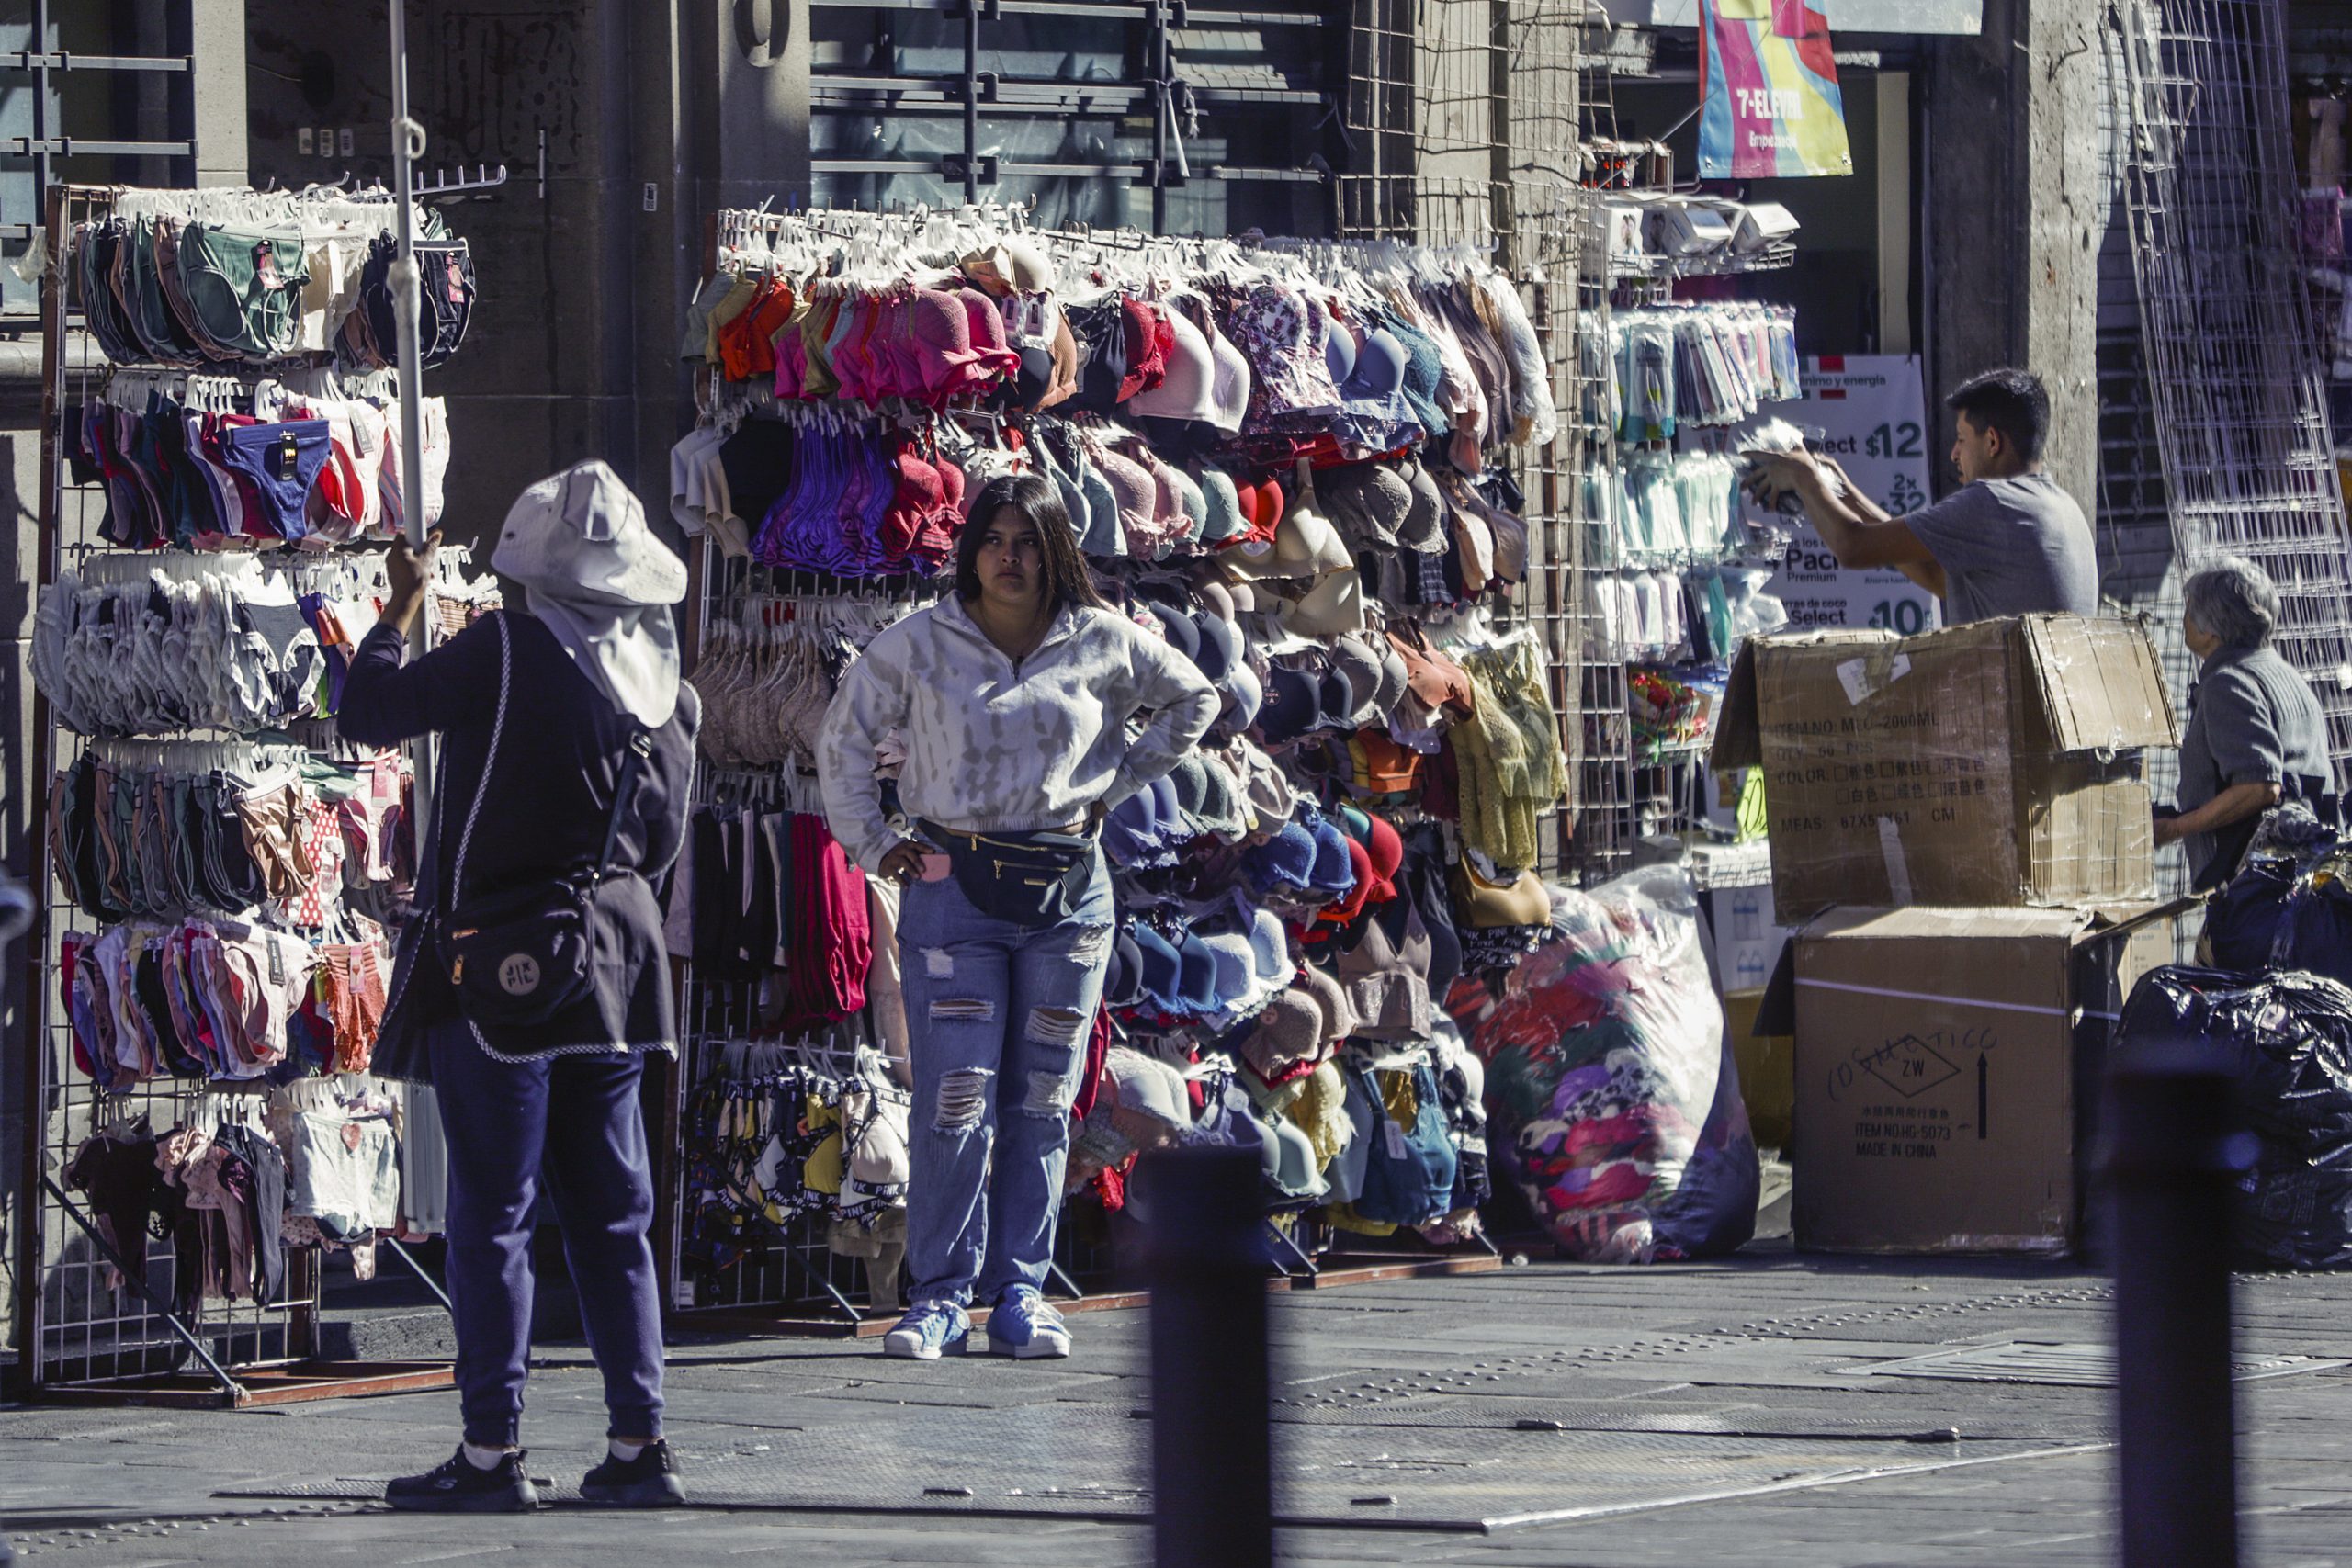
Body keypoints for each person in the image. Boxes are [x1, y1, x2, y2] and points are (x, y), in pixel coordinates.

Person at [339, 460, 700, 1513]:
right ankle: (640, 1440)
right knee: (613, 1212)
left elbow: (369, 711)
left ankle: (491, 1452)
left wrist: (398, 608)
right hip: (622, 965)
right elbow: (665, 838)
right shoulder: (670, 689)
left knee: (492, 1208)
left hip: (506, 956)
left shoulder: (503, 650)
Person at [816, 472, 1217, 1361]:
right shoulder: (921, 643)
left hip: (1067, 900)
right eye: (994, 539)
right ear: (971, 549)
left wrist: (1118, 781)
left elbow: (1197, 697)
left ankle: (1022, 1292)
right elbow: (841, 735)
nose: (1009, 557)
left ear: (1054, 551)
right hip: (952, 888)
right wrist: (874, 840)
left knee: (1039, 1102)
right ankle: (937, 1297)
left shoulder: (1100, 641)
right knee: (953, 1099)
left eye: (1028, 540)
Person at [1746, 367, 2099, 626]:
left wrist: (1805, 477)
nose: (1954, 454)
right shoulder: (2061, 507)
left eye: (1961, 439)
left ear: (1992, 441)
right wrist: (1842, 489)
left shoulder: (1993, 503)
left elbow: (1852, 547)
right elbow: (1937, 578)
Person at [2156, 558, 2333, 891]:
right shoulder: (2284, 673)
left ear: (2209, 630)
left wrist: (2176, 828)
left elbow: (2260, 786)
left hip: (2257, 894)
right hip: (2304, 885)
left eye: (2188, 610)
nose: (2183, 621)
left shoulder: (2229, 682)